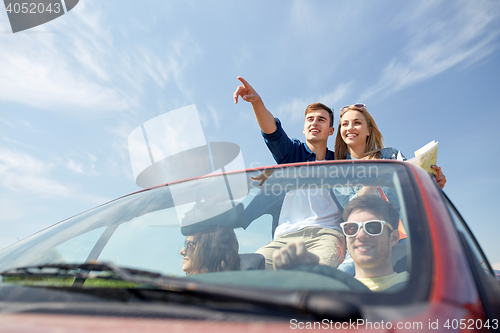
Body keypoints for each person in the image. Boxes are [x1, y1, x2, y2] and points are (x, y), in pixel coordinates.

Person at [234, 77, 345, 270]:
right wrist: (257, 102)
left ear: (331, 130)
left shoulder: (341, 162)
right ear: (304, 128)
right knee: (247, 270)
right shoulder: (292, 154)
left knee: (319, 276)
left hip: (326, 235)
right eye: (310, 119)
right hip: (286, 237)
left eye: (321, 120)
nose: (314, 123)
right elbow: (272, 132)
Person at [273, 195, 409, 292]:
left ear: (393, 237)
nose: (360, 235)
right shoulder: (327, 292)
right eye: (351, 228)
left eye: (372, 227)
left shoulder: (419, 288)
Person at [334, 103, 446, 188]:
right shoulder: (337, 168)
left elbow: (411, 188)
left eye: (357, 123)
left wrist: (433, 184)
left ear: (368, 131)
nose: (350, 128)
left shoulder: (390, 156)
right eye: (345, 124)